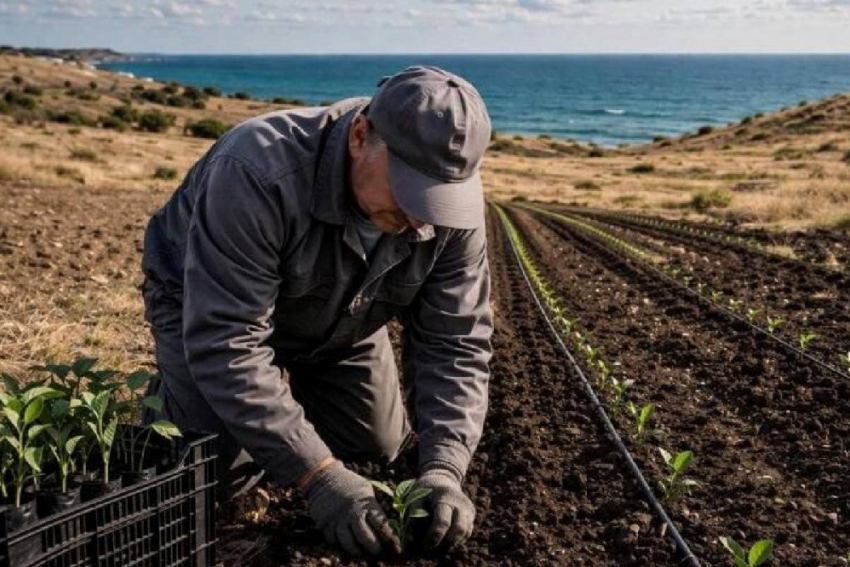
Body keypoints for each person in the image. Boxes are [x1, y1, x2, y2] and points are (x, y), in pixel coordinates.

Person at [140, 65, 493, 556]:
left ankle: (283, 415)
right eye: (409, 189)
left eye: (438, 199)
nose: (420, 218)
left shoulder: (449, 216)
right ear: (360, 135)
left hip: (342, 316)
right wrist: (319, 476)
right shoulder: (257, 170)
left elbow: (455, 343)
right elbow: (227, 341)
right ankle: (175, 398)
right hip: (204, 304)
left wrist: (444, 468)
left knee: (376, 448)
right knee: (217, 473)